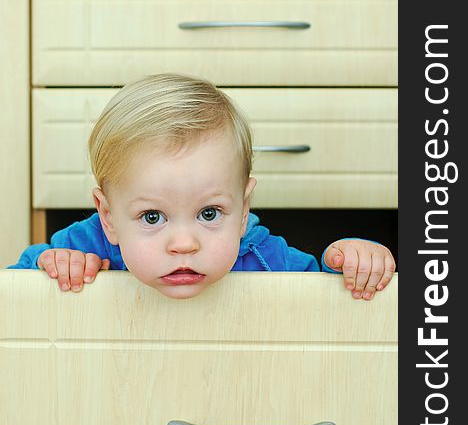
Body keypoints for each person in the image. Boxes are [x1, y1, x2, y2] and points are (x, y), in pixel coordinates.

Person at [8, 73, 396, 300]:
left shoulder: (262, 257)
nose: (183, 243)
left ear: (244, 210)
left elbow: (317, 306)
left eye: (209, 213)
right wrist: (51, 266)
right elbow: (16, 296)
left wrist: (350, 263)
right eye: (152, 216)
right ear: (107, 216)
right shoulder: (87, 247)